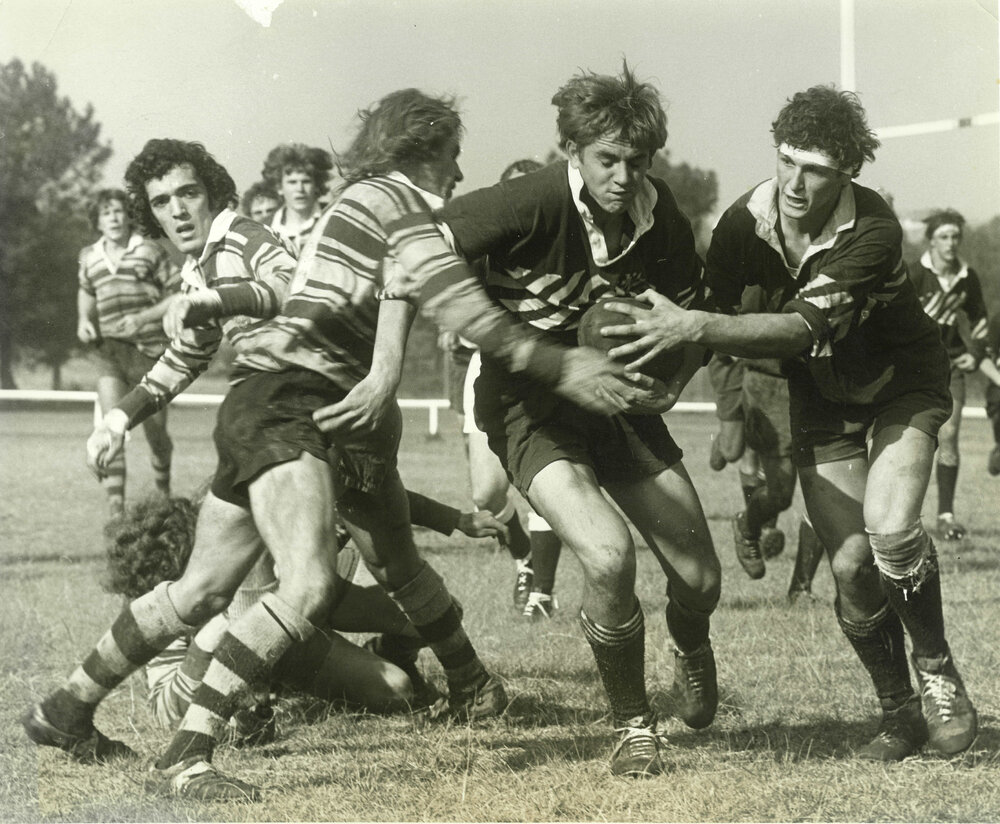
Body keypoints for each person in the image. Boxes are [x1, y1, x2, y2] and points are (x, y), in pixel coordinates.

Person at [603, 85, 978, 762]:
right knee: (852, 564)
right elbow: (713, 317)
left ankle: (937, 671)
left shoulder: (874, 228)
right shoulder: (743, 224)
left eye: (816, 170)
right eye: (786, 160)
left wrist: (696, 323)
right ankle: (898, 711)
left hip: (902, 384)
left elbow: (801, 327)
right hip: (825, 397)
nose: (796, 182)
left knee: (890, 531)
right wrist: (663, 387)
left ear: (848, 174)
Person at [414, 62, 723, 778]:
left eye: (635, 161)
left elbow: (691, 317)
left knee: (701, 579)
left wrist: (668, 383)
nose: (622, 176)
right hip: (528, 402)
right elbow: (418, 252)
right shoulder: (529, 201)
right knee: (608, 554)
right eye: (606, 159)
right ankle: (634, 725)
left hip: (616, 399)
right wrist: (533, 355)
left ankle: (692, 651)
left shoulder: (659, 211)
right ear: (573, 152)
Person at [22, 137, 299, 794]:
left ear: (213, 192)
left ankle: (67, 707)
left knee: (208, 588)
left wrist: (214, 300)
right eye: (160, 201)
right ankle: (190, 751)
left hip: (283, 412)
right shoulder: (201, 267)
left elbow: (287, 283)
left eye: (187, 194)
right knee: (303, 583)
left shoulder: (242, 238)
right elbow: (185, 354)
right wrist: (119, 419)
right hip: (281, 420)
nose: (175, 211)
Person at [104, 490, 506, 729]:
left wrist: (453, 519)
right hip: (259, 656)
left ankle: (392, 649)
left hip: (294, 624)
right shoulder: (165, 610)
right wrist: (207, 641)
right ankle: (275, 687)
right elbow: (165, 710)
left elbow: (361, 491)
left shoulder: (237, 528)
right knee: (396, 690)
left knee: (438, 615)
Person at [452, 157, 565, 621]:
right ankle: (522, 555)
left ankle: (543, 590)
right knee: (486, 494)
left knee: (547, 481)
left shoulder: (565, 245)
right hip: (492, 369)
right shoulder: (481, 250)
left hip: (548, 372)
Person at [76, 188, 181, 519]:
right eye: (107, 213)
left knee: (155, 432)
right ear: (98, 221)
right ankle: (116, 509)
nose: (114, 218)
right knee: (110, 425)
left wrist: (143, 318)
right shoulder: (90, 256)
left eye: (119, 212)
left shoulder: (149, 251)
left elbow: (177, 294)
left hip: (150, 351)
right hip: (111, 351)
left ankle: (163, 492)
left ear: (128, 217)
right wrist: (83, 319)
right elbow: (86, 291)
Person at [908, 209, 990, 541]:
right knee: (913, 443)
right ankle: (906, 515)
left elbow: (980, 318)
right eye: (944, 236)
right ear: (931, 240)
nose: (951, 243)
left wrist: (977, 352)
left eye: (955, 236)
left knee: (950, 436)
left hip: (951, 366)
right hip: (914, 367)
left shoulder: (967, 277)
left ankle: (945, 516)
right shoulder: (915, 273)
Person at [261, 143, 333, 256]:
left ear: (317, 185)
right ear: (279, 187)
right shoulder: (266, 229)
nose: (300, 189)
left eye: (306, 181)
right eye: (292, 182)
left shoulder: (332, 218)